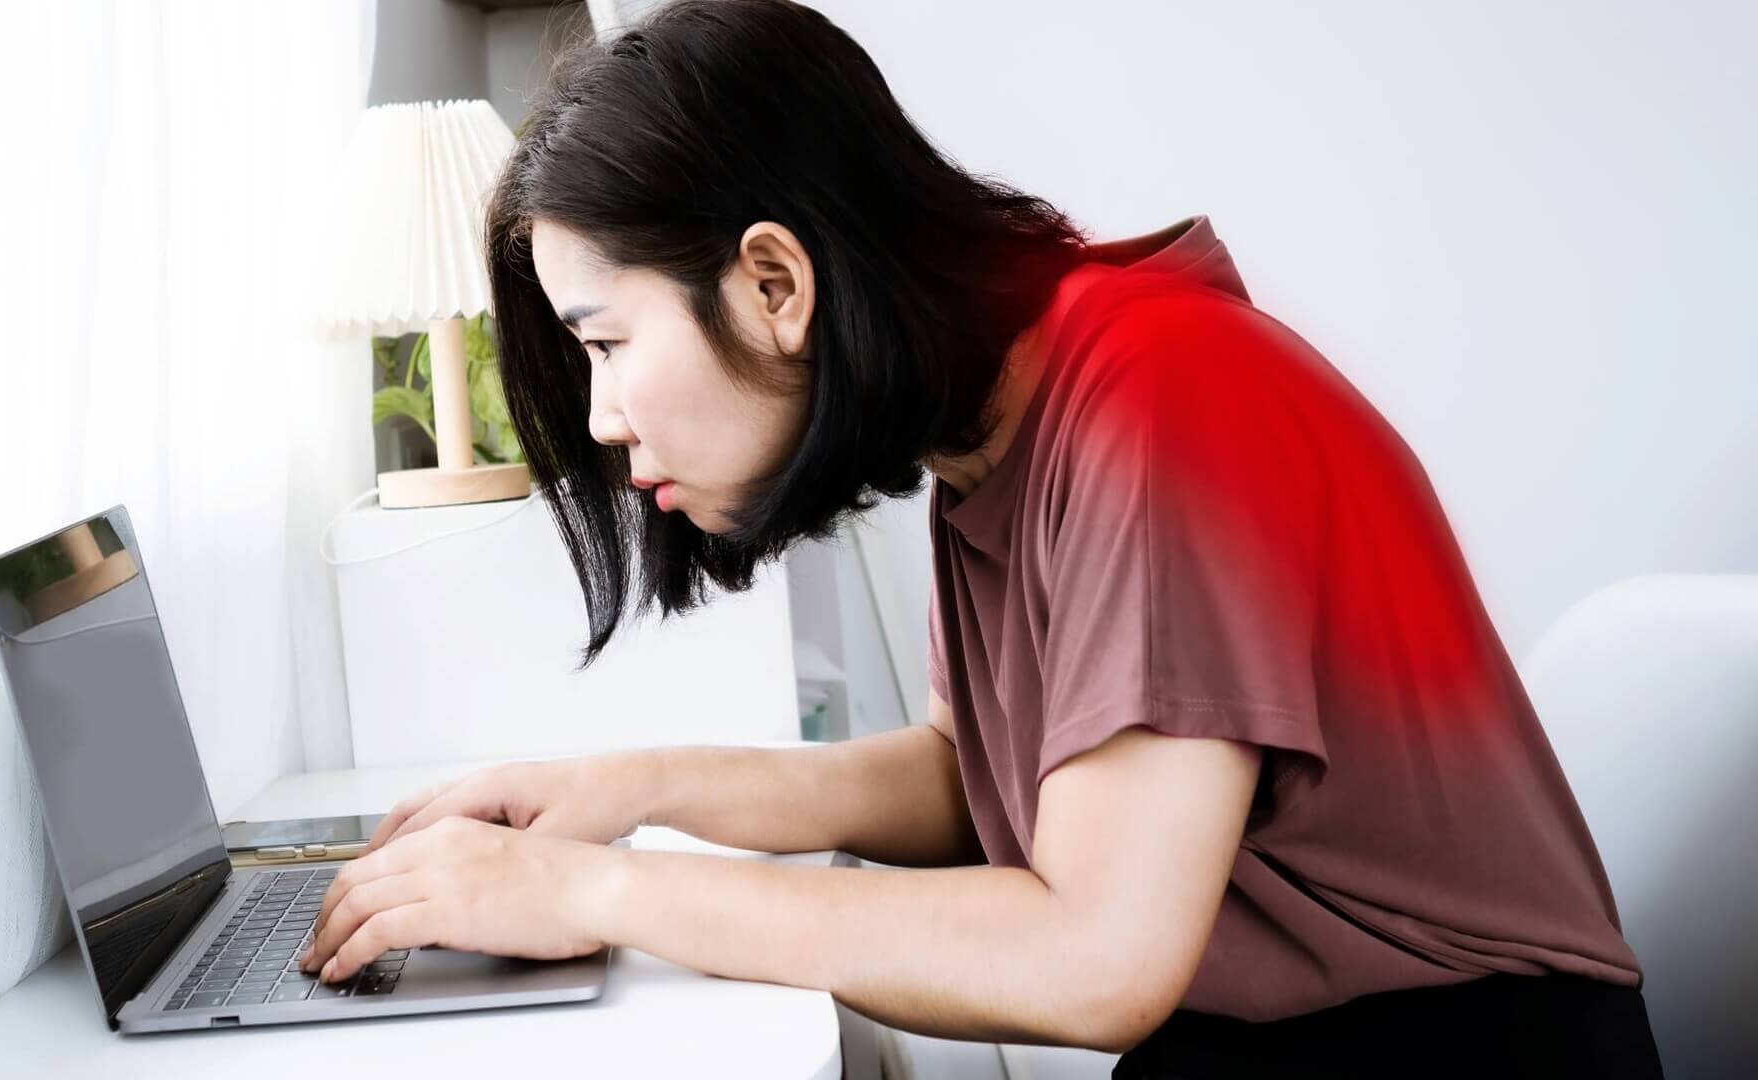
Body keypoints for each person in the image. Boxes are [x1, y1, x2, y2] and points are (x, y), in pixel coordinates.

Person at [298, 2, 1664, 1075]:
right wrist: (629, 785)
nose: (598, 418)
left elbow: (1092, 951)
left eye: (607, 343)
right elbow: (977, 782)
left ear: (775, 282)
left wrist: (595, 890)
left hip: (1449, 1052)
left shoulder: (1163, 404)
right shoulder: (1004, 427)